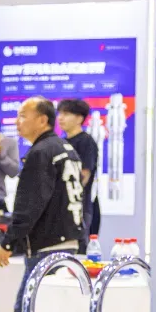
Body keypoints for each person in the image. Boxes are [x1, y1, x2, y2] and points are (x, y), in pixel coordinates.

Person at [0, 98, 84, 312]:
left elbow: (29, 204)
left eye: (23, 115)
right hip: (68, 241)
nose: (17, 121)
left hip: (47, 246)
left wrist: (8, 242)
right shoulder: (66, 149)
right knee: (48, 311)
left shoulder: (41, 152)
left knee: (28, 308)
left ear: (43, 120)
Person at [57, 99, 100, 254]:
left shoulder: (86, 142)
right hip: (60, 208)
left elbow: (84, 176)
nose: (61, 118)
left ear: (79, 118)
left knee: (77, 252)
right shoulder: (60, 143)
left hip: (80, 207)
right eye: (60, 114)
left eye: (66, 114)